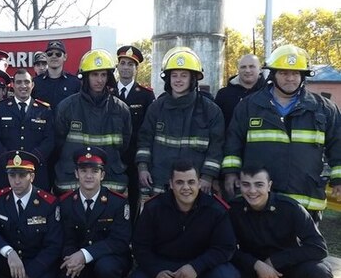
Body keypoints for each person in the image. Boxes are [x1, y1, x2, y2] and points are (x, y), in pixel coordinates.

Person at [222, 44, 341, 223]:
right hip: (260, 199)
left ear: (303, 76)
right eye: (284, 73)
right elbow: (233, 142)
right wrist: (231, 173)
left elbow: (338, 144)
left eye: (295, 73)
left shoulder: (324, 109)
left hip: (305, 200)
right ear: (273, 75)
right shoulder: (249, 106)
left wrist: (338, 179)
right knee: (258, 248)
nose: (290, 79)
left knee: (304, 250)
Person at [128, 160, 238, 278]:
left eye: (191, 182)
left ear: (199, 183)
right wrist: (156, 271)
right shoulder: (153, 208)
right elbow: (140, 246)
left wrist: (197, 266)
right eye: (179, 182)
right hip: (163, 265)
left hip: (199, 267)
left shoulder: (216, 209)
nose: (186, 188)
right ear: (171, 184)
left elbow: (225, 247)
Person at [229, 166, 333, 278]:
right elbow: (226, 248)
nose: (252, 191)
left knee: (319, 273)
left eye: (258, 185)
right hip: (252, 268)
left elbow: (318, 247)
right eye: (246, 185)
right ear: (240, 186)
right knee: (227, 271)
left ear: (269, 185)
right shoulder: (234, 209)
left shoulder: (290, 208)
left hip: (286, 267)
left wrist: (274, 261)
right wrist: (257, 264)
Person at [58, 147, 131, 278]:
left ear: (103, 174)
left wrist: (84, 254)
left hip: (111, 259)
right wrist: (71, 257)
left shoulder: (117, 202)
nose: (88, 176)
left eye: (94, 171)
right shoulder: (66, 202)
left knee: (106, 268)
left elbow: (120, 241)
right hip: (80, 259)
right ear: (76, 173)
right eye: (83, 171)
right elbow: (66, 238)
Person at [137, 47, 224, 198]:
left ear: (193, 79)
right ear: (168, 79)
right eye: (174, 75)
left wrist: (208, 176)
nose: (178, 80)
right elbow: (144, 141)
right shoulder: (156, 108)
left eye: (184, 75)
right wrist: (142, 167)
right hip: (160, 182)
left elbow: (217, 147)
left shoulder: (210, 110)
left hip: (194, 186)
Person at [54, 49, 132, 194]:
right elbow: (58, 143)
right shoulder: (66, 107)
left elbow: (124, 146)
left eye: (103, 75)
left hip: (111, 179)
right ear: (85, 77)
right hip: (72, 180)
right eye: (95, 75)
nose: (100, 80)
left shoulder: (121, 109)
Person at [0, 69, 54, 190]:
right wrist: (9, 161)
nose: (23, 86)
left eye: (26, 82)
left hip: (35, 173)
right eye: (19, 82)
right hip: (7, 173)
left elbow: (49, 140)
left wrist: (32, 160)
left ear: (32, 85)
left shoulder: (44, 109)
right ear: (13, 85)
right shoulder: (0, 108)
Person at [114, 45, 155, 219]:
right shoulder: (108, 92)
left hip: (134, 157)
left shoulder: (146, 95)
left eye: (130, 64)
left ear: (136, 69)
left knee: (134, 198)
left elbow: (148, 129)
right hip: (113, 154)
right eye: (123, 63)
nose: (126, 67)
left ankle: (132, 236)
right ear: (117, 66)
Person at [214, 54, 265, 128]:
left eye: (251, 66)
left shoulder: (269, 93)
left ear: (260, 69)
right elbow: (216, 125)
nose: (247, 70)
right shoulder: (223, 95)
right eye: (243, 67)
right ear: (238, 69)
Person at [32, 40, 80, 111]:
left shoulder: (75, 83)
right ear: (46, 56)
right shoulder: (35, 83)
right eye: (50, 54)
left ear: (65, 57)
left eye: (58, 54)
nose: (54, 56)